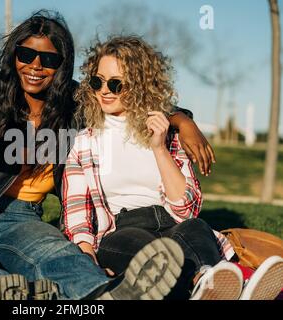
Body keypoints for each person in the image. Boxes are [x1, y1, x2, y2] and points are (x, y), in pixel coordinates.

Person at [0, 11, 215, 300]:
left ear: (62, 65)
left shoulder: (76, 102)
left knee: (58, 254)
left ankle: (107, 294)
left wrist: (181, 118)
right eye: (26, 54)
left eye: (49, 59)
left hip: (20, 219)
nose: (35, 66)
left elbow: (130, 96)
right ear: (14, 55)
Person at [62, 35, 249, 300]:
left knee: (195, 228)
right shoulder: (83, 143)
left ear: (138, 86)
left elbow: (187, 211)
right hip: (123, 231)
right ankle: (211, 286)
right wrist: (86, 254)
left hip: (171, 221)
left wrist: (159, 148)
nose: (104, 90)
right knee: (155, 253)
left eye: (116, 84)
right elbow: (76, 211)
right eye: (97, 81)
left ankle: (208, 282)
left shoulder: (169, 135)